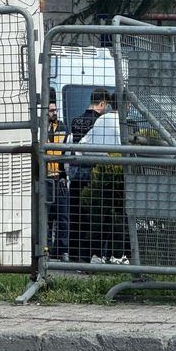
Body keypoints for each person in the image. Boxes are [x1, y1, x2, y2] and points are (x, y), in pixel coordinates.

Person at [67, 88, 111, 262]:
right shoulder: (99, 122)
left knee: (75, 216)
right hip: (91, 174)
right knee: (91, 218)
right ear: (102, 103)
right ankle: (88, 255)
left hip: (76, 173)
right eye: (106, 105)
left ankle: (73, 254)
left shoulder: (76, 121)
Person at [46, 101, 70, 261]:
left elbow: (67, 152)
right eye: (50, 111)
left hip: (59, 178)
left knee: (63, 216)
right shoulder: (41, 129)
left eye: (55, 110)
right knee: (46, 217)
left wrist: (64, 176)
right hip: (45, 178)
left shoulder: (63, 128)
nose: (53, 113)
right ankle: (46, 249)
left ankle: (62, 251)